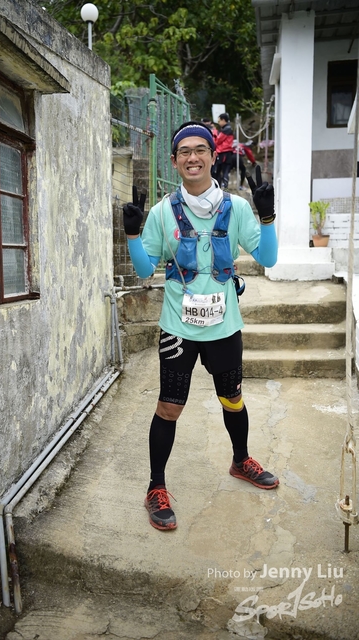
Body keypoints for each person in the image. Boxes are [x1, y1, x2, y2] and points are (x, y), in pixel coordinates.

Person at [122, 120, 278, 532]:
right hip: (179, 328)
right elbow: (144, 271)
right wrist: (133, 235)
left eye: (200, 150)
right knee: (169, 407)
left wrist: (267, 217)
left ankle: (240, 460)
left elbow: (268, 258)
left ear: (213, 155)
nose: (193, 157)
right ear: (175, 161)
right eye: (184, 152)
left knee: (233, 397)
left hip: (224, 327)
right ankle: (156, 487)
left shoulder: (236, 208)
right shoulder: (162, 212)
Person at [213, 113, 234, 188]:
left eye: (219, 121)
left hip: (223, 152)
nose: (219, 123)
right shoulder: (228, 128)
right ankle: (224, 186)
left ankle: (219, 186)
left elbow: (218, 140)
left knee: (219, 171)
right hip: (227, 152)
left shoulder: (226, 129)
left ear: (223, 120)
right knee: (225, 170)